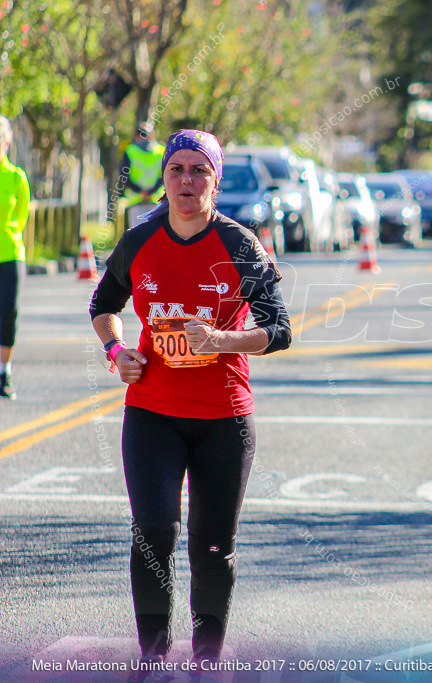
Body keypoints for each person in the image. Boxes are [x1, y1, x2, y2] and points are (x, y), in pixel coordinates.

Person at [90, 129, 291, 666]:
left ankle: (207, 659)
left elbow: (281, 329)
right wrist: (117, 351)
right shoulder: (140, 239)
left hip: (224, 416)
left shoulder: (240, 244)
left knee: (211, 546)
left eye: (198, 170)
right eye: (176, 169)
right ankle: (152, 658)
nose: (186, 180)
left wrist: (223, 340)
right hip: (153, 411)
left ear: (215, 181)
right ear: (164, 178)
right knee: (153, 534)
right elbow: (103, 303)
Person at [0, 115, 29, 400]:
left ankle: (4, 370)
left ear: (7, 141)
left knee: (8, 311)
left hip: (10, 253)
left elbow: (20, 217)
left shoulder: (16, 176)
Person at [119, 122, 165, 228]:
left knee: (140, 237)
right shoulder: (161, 151)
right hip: (155, 199)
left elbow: (123, 176)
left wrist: (141, 192)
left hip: (139, 199)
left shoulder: (131, 151)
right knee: (154, 236)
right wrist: (151, 192)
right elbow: (164, 176)